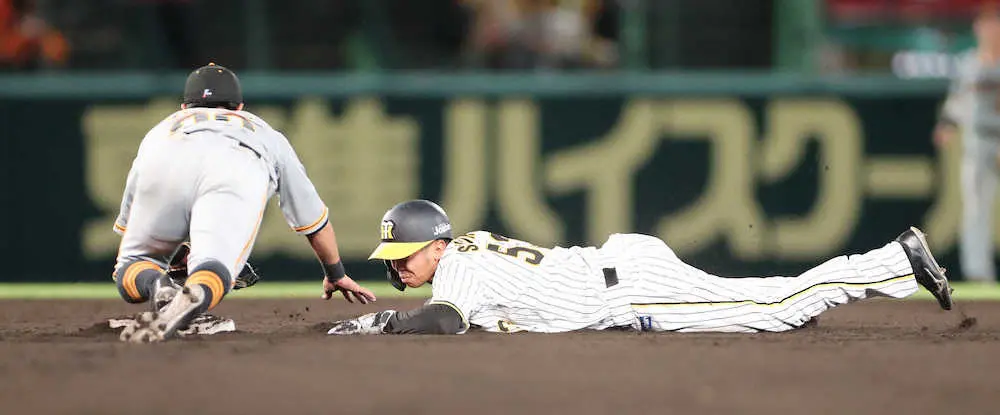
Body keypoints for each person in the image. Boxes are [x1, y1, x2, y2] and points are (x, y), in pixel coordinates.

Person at [327, 199, 953, 335]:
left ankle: (896, 259)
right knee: (760, 302)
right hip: (620, 269)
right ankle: (825, 291)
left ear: (436, 246)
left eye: (404, 254)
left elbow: (444, 322)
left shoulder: (456, 265)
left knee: (776, 309)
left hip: (630, 288)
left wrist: (382, 324)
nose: (397, 267)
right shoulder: (467, 250)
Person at [115, 63, 376, 343]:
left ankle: (157, 285)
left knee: (133, 263)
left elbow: (131, 225)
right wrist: (335, 273)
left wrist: (176, 256)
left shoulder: (162, 130)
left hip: (164, 161)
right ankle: (198, 292)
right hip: (235, 166)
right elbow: (314, 221)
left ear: (184, 107)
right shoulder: (264, 132)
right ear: (239, 107)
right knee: (212, 267)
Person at [934, 4, 1000, 284]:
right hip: (978, 143)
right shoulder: (969, 64)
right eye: (987, 25)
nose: (991, 30)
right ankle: (978, 273)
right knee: (975, 210)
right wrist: (947, 123)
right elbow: (958, 100)